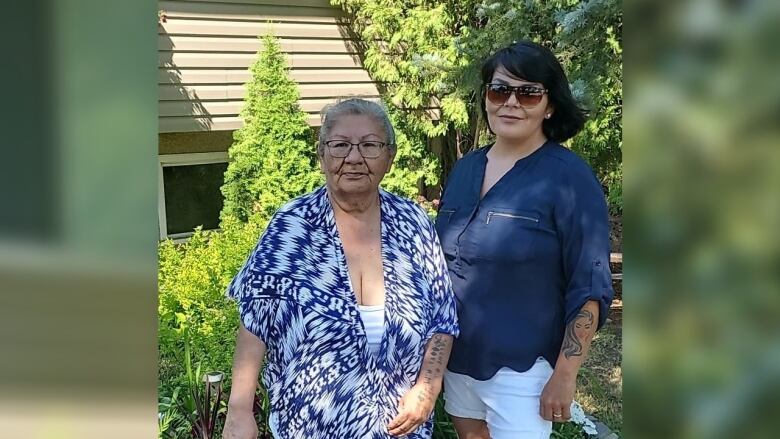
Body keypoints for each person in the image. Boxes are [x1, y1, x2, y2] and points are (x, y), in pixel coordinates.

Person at [221, 98, 459, 439]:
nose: (354, 157)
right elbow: (255, 323)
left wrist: (427, 388)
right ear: (322, 154)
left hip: (399, 427)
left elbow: (442, 317)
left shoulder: (413, 223)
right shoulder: (292, 227)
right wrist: (239, 411)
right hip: (309, 426)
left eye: (370, 145)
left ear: (389, 157)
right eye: (340, 145)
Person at [435, 41, 614, 439]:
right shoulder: (465, 169)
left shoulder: (568, 177)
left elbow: (590, 281)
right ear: (486, 97)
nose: (511, 103)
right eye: (500, 90)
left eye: (528, 92)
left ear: (549, 105)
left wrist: (565, 375)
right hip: (458, 358)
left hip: (524, 369)